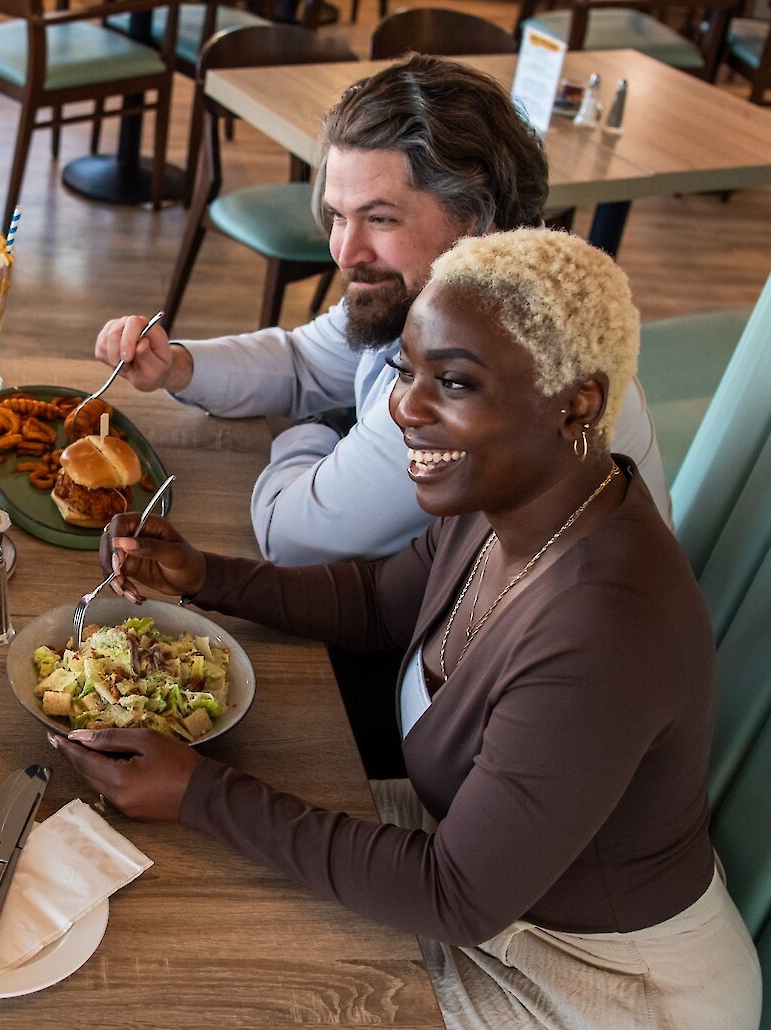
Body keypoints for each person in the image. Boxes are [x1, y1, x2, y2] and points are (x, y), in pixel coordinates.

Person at [56, 230, 760, 1027]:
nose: (404, 410)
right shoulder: (519, 500)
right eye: (404, 371)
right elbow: (380, 603)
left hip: (593, 977)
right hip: (476, 876)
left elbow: (455, 895)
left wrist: (200, 792)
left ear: (578, 404)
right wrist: (207, 576)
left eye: (453, 383)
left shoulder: (605, 625)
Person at [93, 54, 669, 568]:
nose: (344, 251)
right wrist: (177, 366)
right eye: (339, 216)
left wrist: (315, 428)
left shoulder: (484, 369)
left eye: (382, 219)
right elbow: (303, 360)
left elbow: (291, 534)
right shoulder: (441, 297)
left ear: (475, 221)